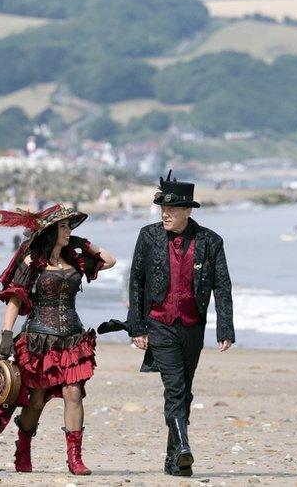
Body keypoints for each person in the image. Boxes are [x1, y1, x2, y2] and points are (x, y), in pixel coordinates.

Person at [0, 204, 116, 476]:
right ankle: (23, 447)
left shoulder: (75, 259)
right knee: (37, 400)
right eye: (64, 227)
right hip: (39, 340)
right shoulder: (33, 261)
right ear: (52, 230)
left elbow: (110, 260)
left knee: (73, 393)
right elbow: (15, 298)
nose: (69, 232)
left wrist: (85, 243)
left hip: (73, 339)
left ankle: (75, 458)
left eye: (70, 227)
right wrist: (6, 336)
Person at [98, 171, 235, 477]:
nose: (165, 214)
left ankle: (174, 459)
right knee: (174, 388)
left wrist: (224, 328)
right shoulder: (148, 236)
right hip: (159, 323)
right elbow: (136, 281)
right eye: (162, 208)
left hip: (193, 327)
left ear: (188, 211)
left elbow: (222, 286)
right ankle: (185, 447)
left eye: (172, 210)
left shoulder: (211, 242)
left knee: (184, 391)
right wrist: (136, 327)